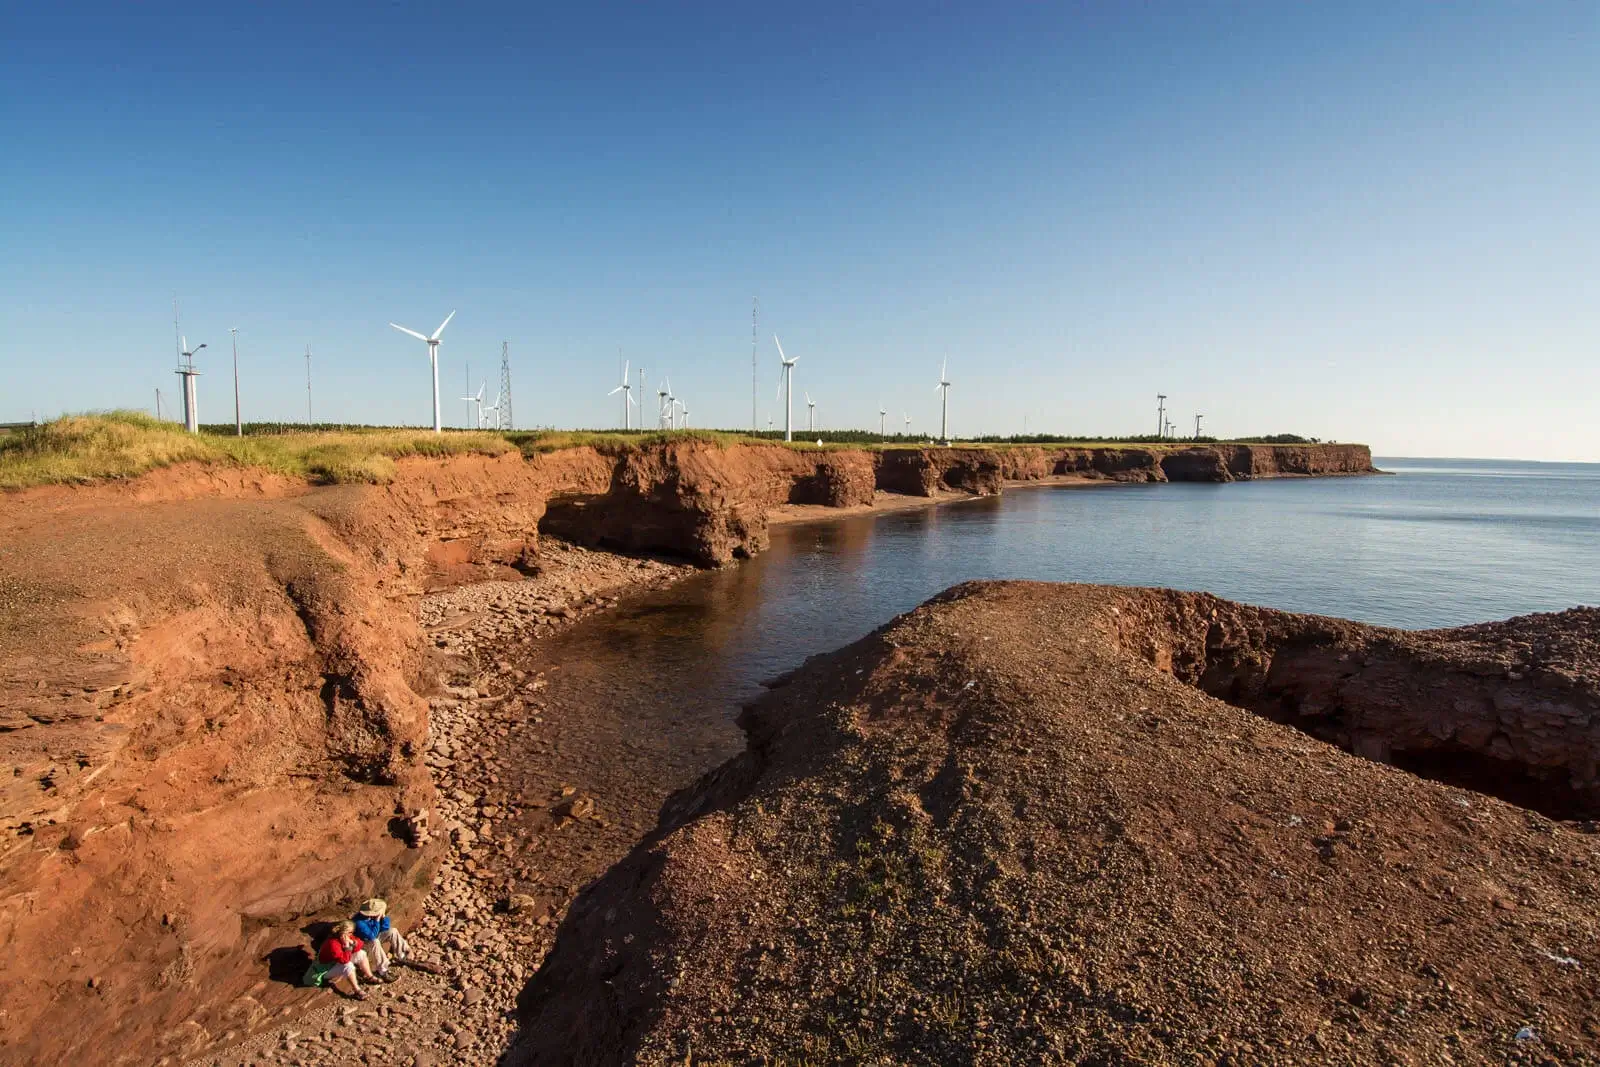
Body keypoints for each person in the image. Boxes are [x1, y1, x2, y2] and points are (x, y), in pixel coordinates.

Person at [315, 920, 384, 999]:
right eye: (350, 932)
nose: (352, 934)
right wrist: (347, 947)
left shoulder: (347, 937)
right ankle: (357, 990)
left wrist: (352, 942)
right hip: (325, 969)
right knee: (349, 965)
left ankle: (370, 977)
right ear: (344, 932)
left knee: (361, 953)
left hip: (336, 963)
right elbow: (344, 960)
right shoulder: (333, 943)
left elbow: (360, 944)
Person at [352, 898, 409, 978]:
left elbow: (385, 928)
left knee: (393, 931)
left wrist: (384, 918)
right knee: (375, 941)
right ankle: (383, 970)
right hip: (362, 944)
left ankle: (401, 955)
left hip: (371, 938)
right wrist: (377, 921)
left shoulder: (371, 917)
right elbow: (372, 936)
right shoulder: (359, 922)